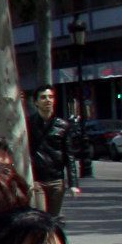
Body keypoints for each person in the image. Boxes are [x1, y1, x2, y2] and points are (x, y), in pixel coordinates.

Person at [28, 84, 73, 215]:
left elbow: (69, 156)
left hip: (56, 181)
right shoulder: (28, 124)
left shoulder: (63, 125)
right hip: (37, 181)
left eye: (50, 97)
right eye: (43, 97)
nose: (47, 100)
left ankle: (52, 236)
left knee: (53, 219)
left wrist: (73, 183)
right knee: (41, 218)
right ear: (36, 102)